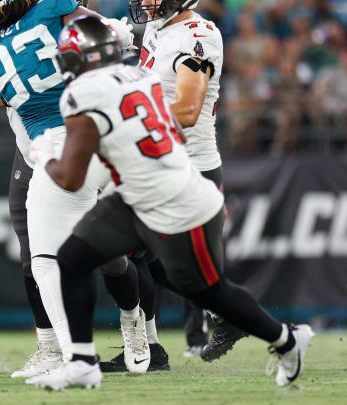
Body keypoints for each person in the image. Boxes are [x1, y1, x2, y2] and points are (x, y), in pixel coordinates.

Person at [26, 16, 314, 391]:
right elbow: (166, 127)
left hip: (175, 201)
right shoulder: (140, 78)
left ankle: (288, 340)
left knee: (208, 291)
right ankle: (82, 362)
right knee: (73, 258)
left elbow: (69, 179)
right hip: (140, 192)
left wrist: (43, 154)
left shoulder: (82, 94)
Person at [0, 0, 152, 377]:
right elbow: (109, 33)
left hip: (59, 146)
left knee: (45, 260)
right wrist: (125, 37)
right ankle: (73, 343)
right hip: (103, 133)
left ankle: (77, 357)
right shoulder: (51, 8)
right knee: (82, 251)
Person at [101, 0, 247, 371]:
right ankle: (222, 313)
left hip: (187, 167)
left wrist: (127, 120)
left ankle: (152, 350)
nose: (144, 3)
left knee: (129, 253)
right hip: (158, 161)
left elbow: (187, 108)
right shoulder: (157, 29)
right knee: (147, 260)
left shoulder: (198, 35)